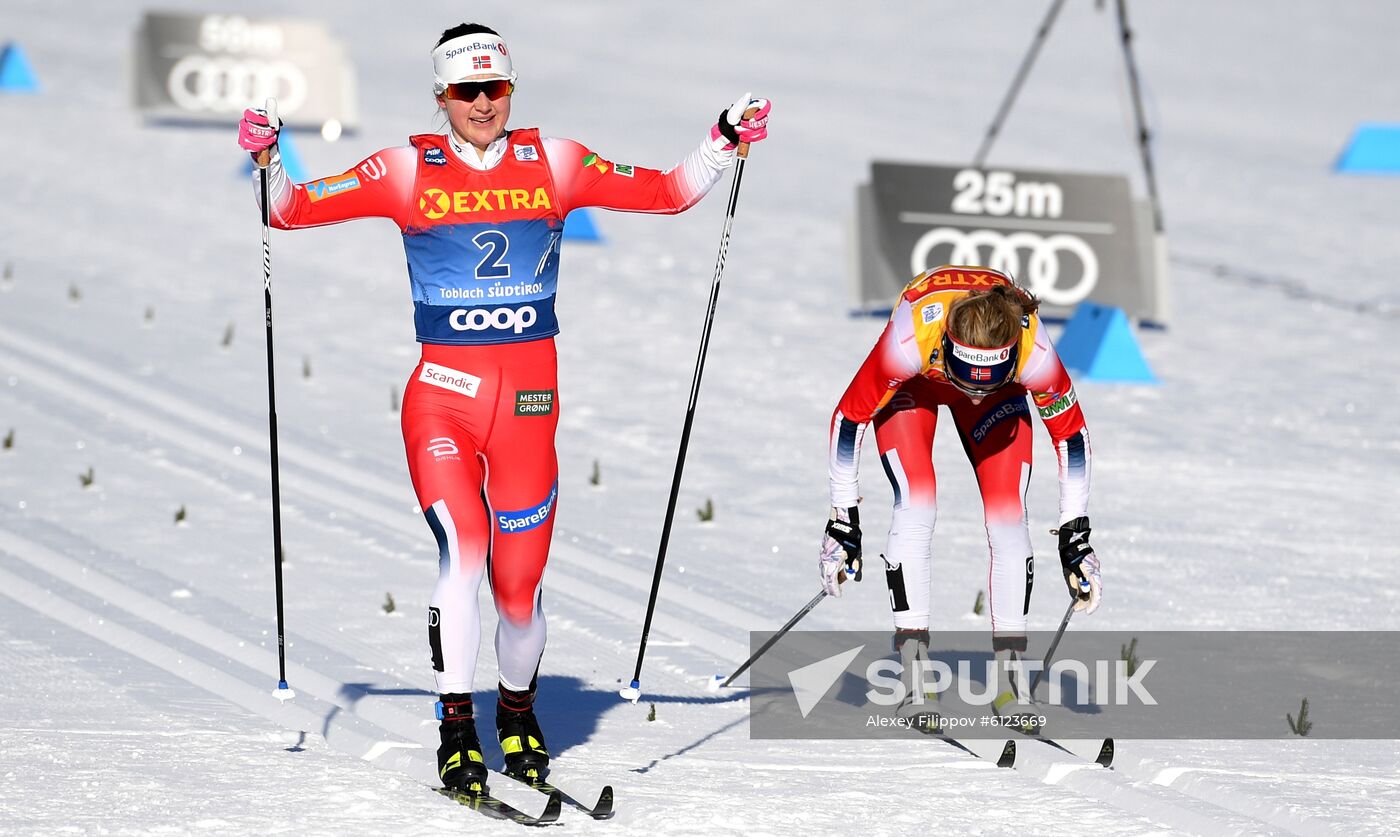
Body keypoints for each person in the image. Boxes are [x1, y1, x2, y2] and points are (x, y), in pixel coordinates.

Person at [237, 22, 770, 792]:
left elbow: (667, 192)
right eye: (465, 91)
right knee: (465, 554)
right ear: (441, 95)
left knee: (519, 587)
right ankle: (457, 725)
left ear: (511, 88)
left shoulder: (553, 160)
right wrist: (266, 157)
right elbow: (288, 211)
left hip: (528, 407)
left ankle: (517, 712)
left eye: (494, 88)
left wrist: (723, 138)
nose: (482, 104)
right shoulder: (404, 167)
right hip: (443, 404)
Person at [818, 265, 1101, 729]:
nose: (971, 397)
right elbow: (849, 419)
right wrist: (843, 521)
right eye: (967, 380)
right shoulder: (910, 340)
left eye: (985, 381)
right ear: (948, 347)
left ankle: (1011, 677)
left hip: (1001, 399)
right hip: (918, 384)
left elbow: (1071, 437)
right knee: (917, 502)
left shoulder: (1033, 351)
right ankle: (914, 669)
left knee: (1008, 518)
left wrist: (1076, 537)